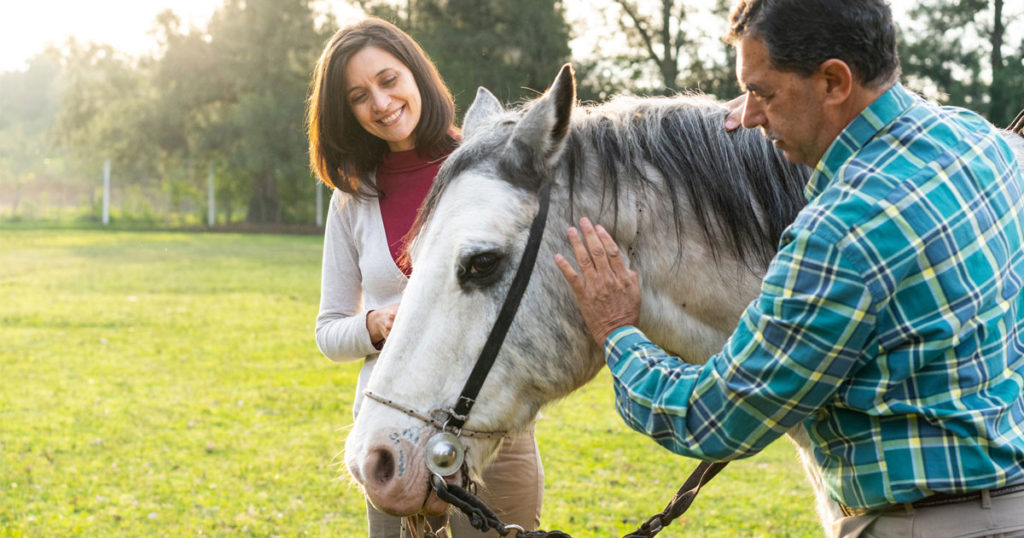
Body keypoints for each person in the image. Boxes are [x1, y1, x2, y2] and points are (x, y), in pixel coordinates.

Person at [554, 1, 1024, 537]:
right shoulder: (985, 146)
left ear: (833, 81)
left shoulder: (843, 229)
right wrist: (788, 104)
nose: (751, 115)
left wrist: (618, 332)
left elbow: (716, 415)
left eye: (764, 92)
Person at [306, 18, 544, 538]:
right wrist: (377, 324)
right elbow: (329, 331)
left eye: (388, 80)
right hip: (393, 433)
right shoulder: (353, 200)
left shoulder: (489, 168)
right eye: (358, 96)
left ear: (417, 74)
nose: (381, 102)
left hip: (493, 433)